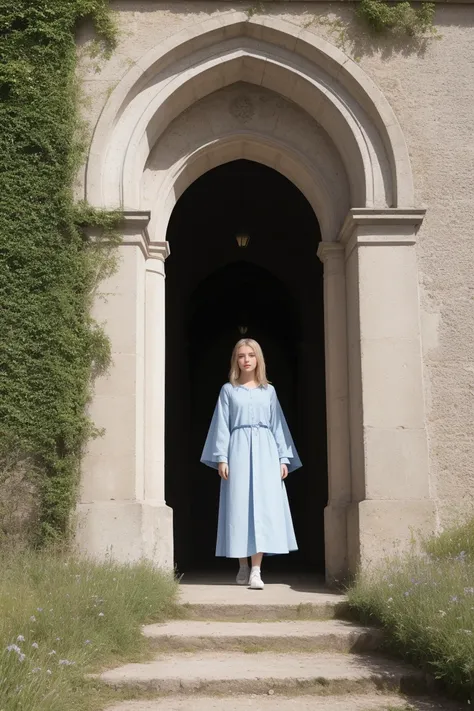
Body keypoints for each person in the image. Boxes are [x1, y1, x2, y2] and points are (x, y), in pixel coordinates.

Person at [200, 338, 302, 590]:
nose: (246, 360)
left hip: (266, 451)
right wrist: (222, 457)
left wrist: (283, 458)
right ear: (235, 360)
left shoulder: (269, 391)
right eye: (241, 355)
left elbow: (278, 425)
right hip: (238, 449)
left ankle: (257, 570)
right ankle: (242, 565)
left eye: (251, 355)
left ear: (258, 359)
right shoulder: (228, 390)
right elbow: (222, 424)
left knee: (264, 507)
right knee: (239, 505)